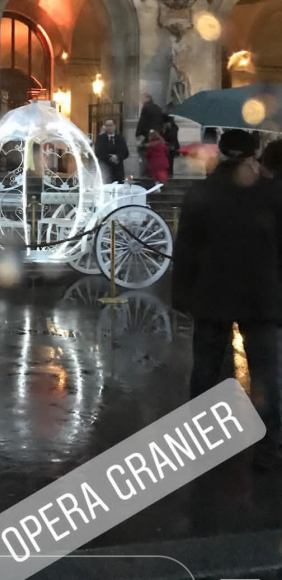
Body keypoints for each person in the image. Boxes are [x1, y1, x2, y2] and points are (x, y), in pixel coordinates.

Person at [172, 129, 282, 470]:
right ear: (253, 155)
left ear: (220, 152)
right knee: (266, 374)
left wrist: (182, 296)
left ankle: (203, 443)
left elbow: (185, 250)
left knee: (205, 370)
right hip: (260, 297)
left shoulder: (201, 192)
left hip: (210, 294)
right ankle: (270, 449)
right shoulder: (270, 194)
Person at [136, 92, 164, 176]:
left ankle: (146, 172)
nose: (141, 101)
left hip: (147, 134)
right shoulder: (158, 108)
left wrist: (138, 134)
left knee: (144, 153)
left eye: (142, 98)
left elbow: (143, 122)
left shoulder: (146, 107)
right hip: (157, 133)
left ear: (147, 98)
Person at [94, 119, 129, 183]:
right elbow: (98, 152)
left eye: (110, 125)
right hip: (105, 168)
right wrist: (110, 157)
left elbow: (126, 153)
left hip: (118, 169)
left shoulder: (120, 138)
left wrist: (117, 157)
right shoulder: (101, 138)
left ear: (114, 126)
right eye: (107, 125)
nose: (109, 127)